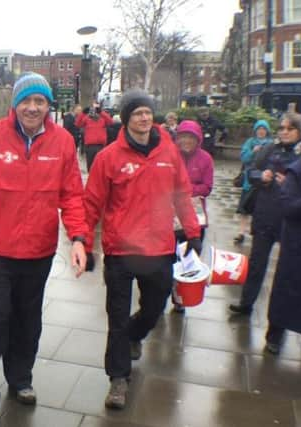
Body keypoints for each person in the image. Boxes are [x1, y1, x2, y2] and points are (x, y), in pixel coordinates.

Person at [0, 72, 88, 424]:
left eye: (39, 101)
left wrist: (78, 238)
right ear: (15, 104)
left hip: (39, 250)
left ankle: (20, 379)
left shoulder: (62, 143)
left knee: (28, 321)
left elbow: (72, 195)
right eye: (26, 101)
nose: (32, 108)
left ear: (48, 105)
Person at [84, 89, 201, 410]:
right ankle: (118, 379)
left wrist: (193, 231)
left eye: (148, 112)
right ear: (126, 118)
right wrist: (82, 240)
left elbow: (182, 192)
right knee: (117, 317)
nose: (145, 118)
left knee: (155, 306)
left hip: (159, 248)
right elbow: (91, 202)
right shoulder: (109, 157)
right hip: (121, 250)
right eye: (137, 113)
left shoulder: (168, 152)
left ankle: (135, 335)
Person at [229, 113, 301, 315]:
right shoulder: (270, 149)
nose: (284, 132)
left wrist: (289, 184)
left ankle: (279, 320)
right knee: (256, 264)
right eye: (281, 128)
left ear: (299, 131)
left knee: (286, 271)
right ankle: (246, 304)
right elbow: (250, 171)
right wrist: (260, 176)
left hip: (290, 220)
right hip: (265, 215)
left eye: (290, 128)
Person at [263, 126, 301, 354]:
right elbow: (289, 207)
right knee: (288, 287)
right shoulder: (298, 170)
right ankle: (275, 334)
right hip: (298, 241)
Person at [171, 120, 213, 313]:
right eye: (183, 137)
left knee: (188, 259)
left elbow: (207, 186)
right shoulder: (171, 156)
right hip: (171, 216)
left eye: (190, 138)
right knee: (170, 258)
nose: (186, 141)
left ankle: (182, 296)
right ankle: (170, 291)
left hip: (195, 217)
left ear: (198, 140)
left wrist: (187, 190)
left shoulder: (206, 159)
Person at [233, 120, 272, 245]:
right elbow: (244, 158)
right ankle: (241, 233)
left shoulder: (271, 144)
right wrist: (253, 151)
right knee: (244, 209)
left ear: (267, 131)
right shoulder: (250, 142)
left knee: (258, 210)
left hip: (263, 181)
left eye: (263, 129)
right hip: (249, 181)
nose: (261, 131)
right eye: (259, 129)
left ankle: (255, 232)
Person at [75, 101, 113, 172]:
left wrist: (101, 112)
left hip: (100, 146)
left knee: (100, 167)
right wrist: (83, 113)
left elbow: (110, 122)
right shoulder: (87, 118)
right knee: (90, 167)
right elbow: (78, 124)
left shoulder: (102, 118)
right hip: (89, 146)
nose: (94, 110)